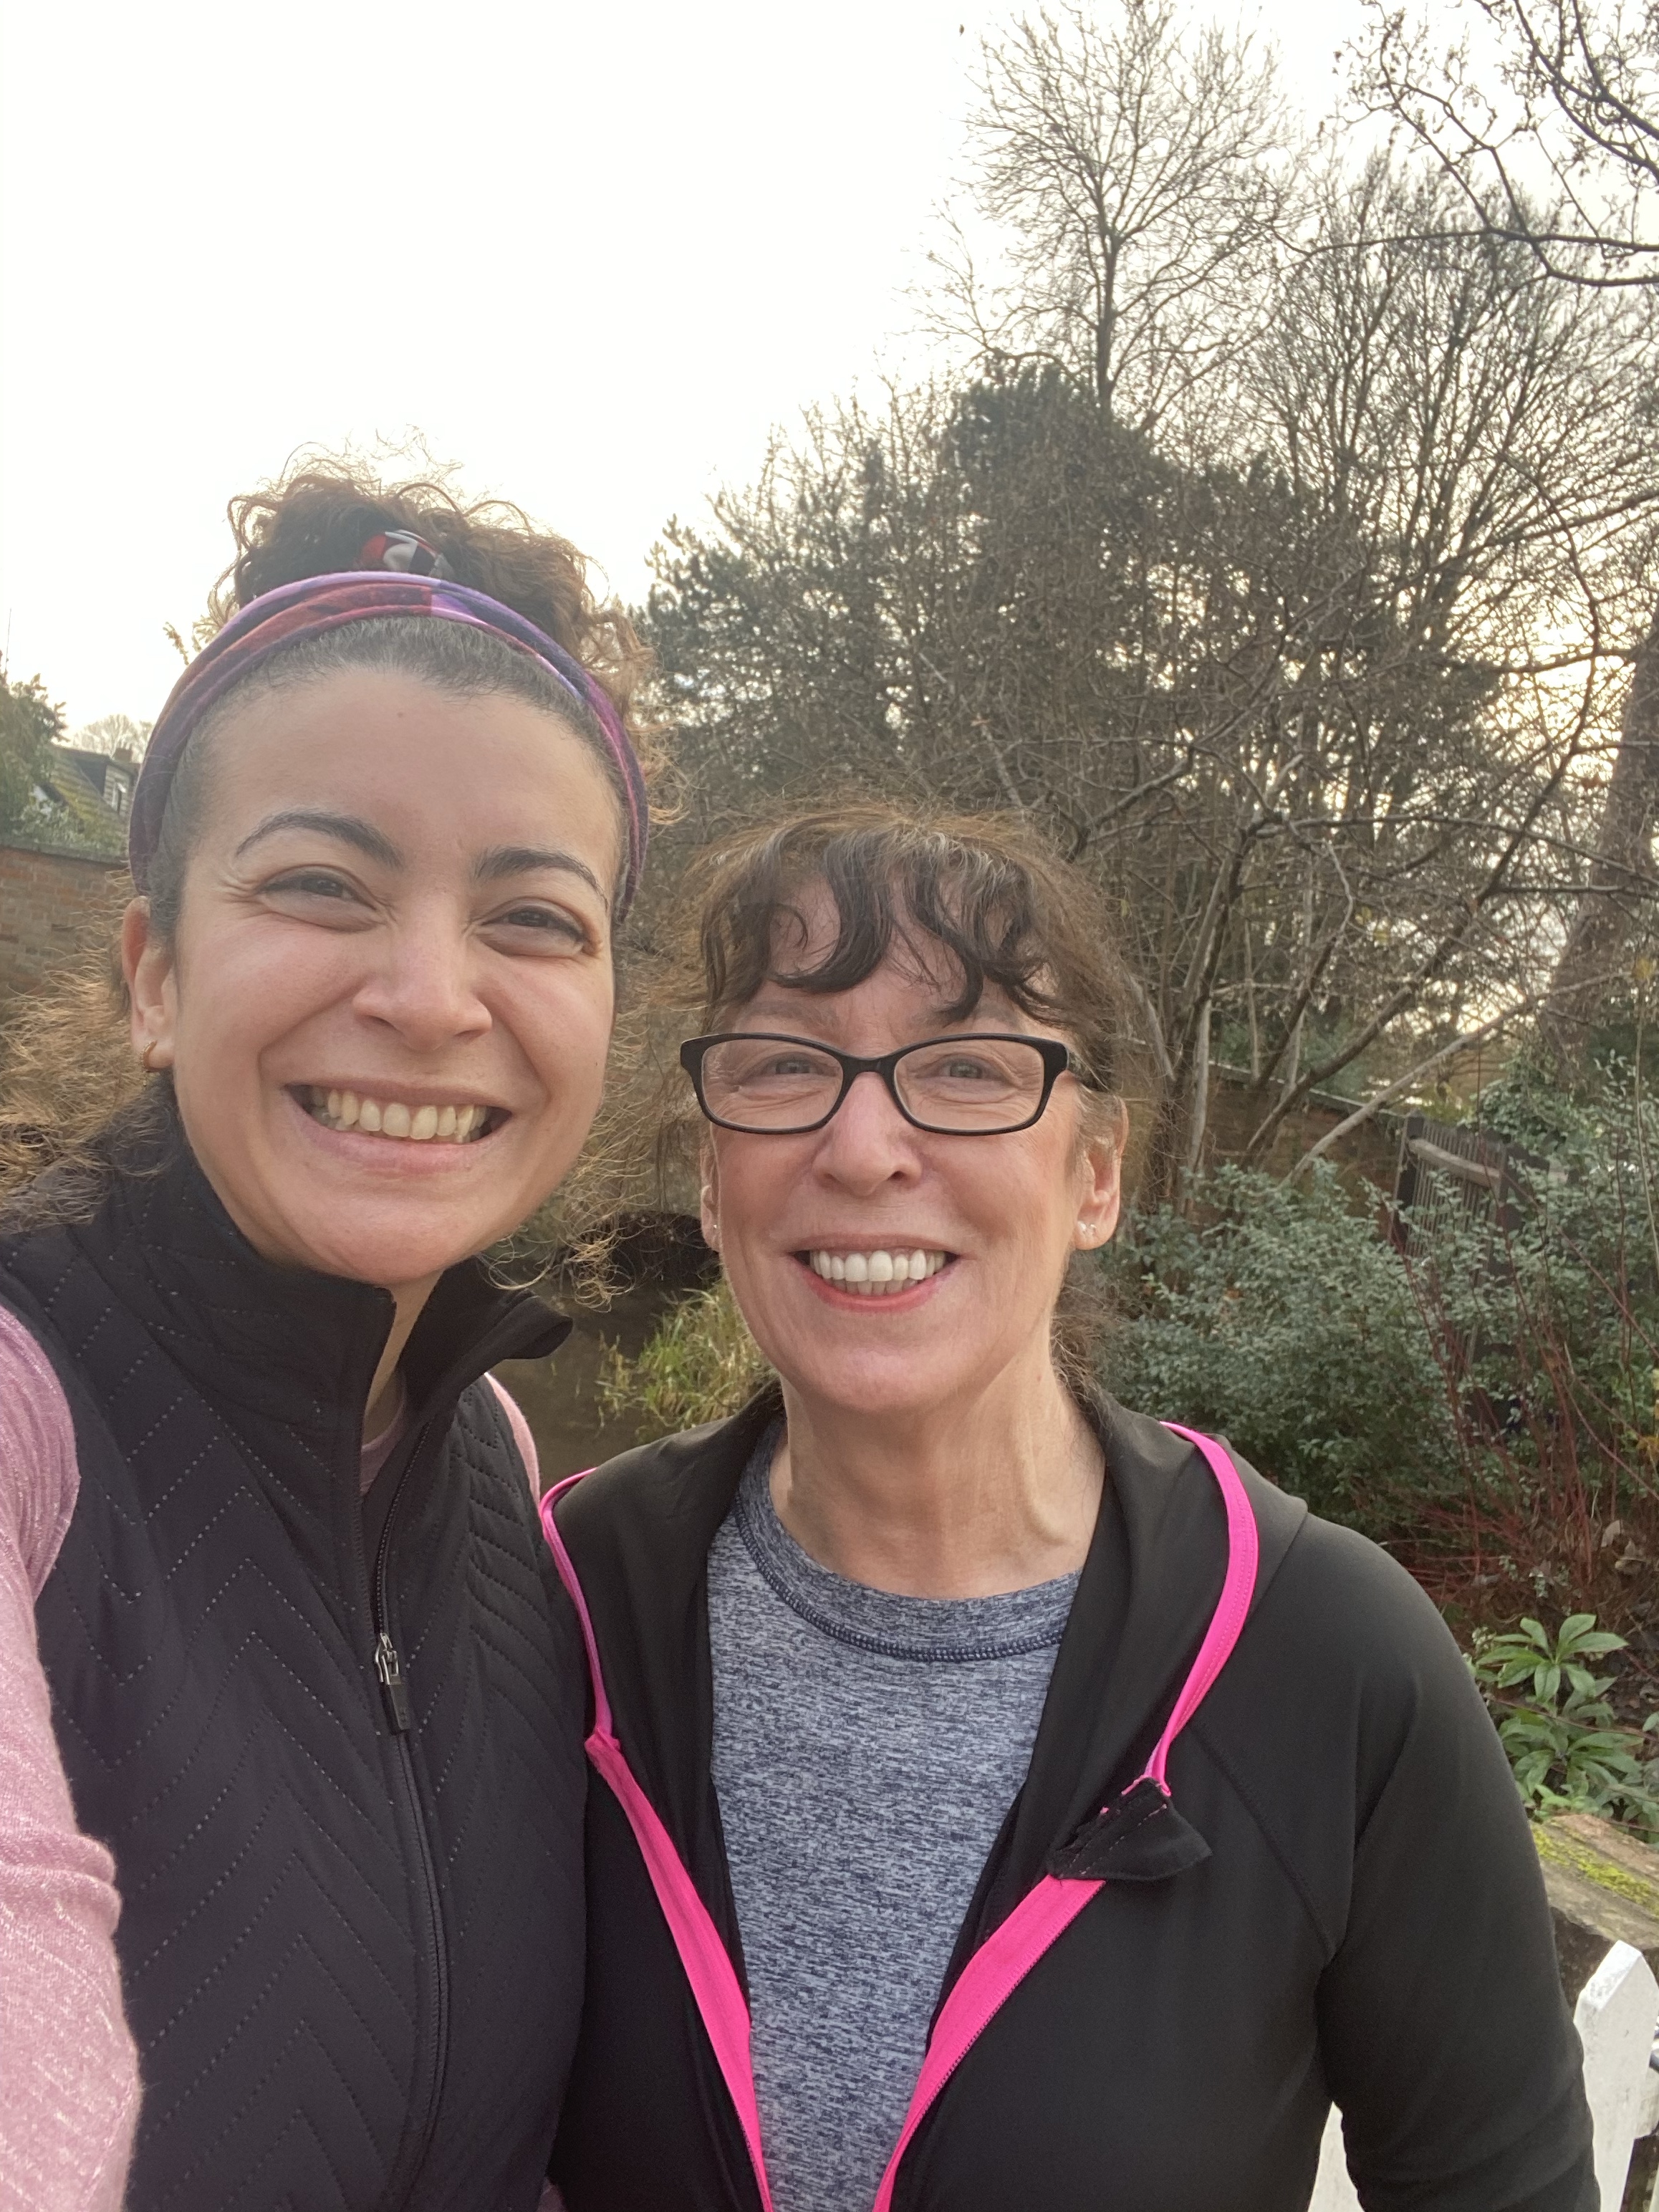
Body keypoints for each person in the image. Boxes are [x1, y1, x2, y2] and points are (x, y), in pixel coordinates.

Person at [544, 804, 1594, 2212]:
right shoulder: (554, 1604)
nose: (864, 1146)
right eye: (787, 1064)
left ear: (1097, 1172)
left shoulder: (1331, 1662)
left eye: (969, 1067)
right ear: (710, 1179)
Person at [0, 465, 658, 2212]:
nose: (434, 993)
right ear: (152, 968)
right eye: (319, 883)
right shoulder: (20, 1414)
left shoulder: (500, 1463)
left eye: (533, 915)